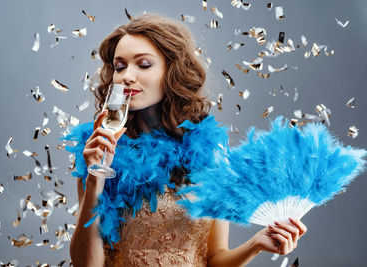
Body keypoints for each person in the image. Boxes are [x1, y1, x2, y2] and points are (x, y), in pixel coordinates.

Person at [68, 13, 307, 267]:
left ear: (171, 72)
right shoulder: (97, 149)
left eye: (144, 64)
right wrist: (96, 179)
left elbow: (215, 258)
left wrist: (256, 244)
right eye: (120, 66)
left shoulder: (210, 151)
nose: (127, 76)